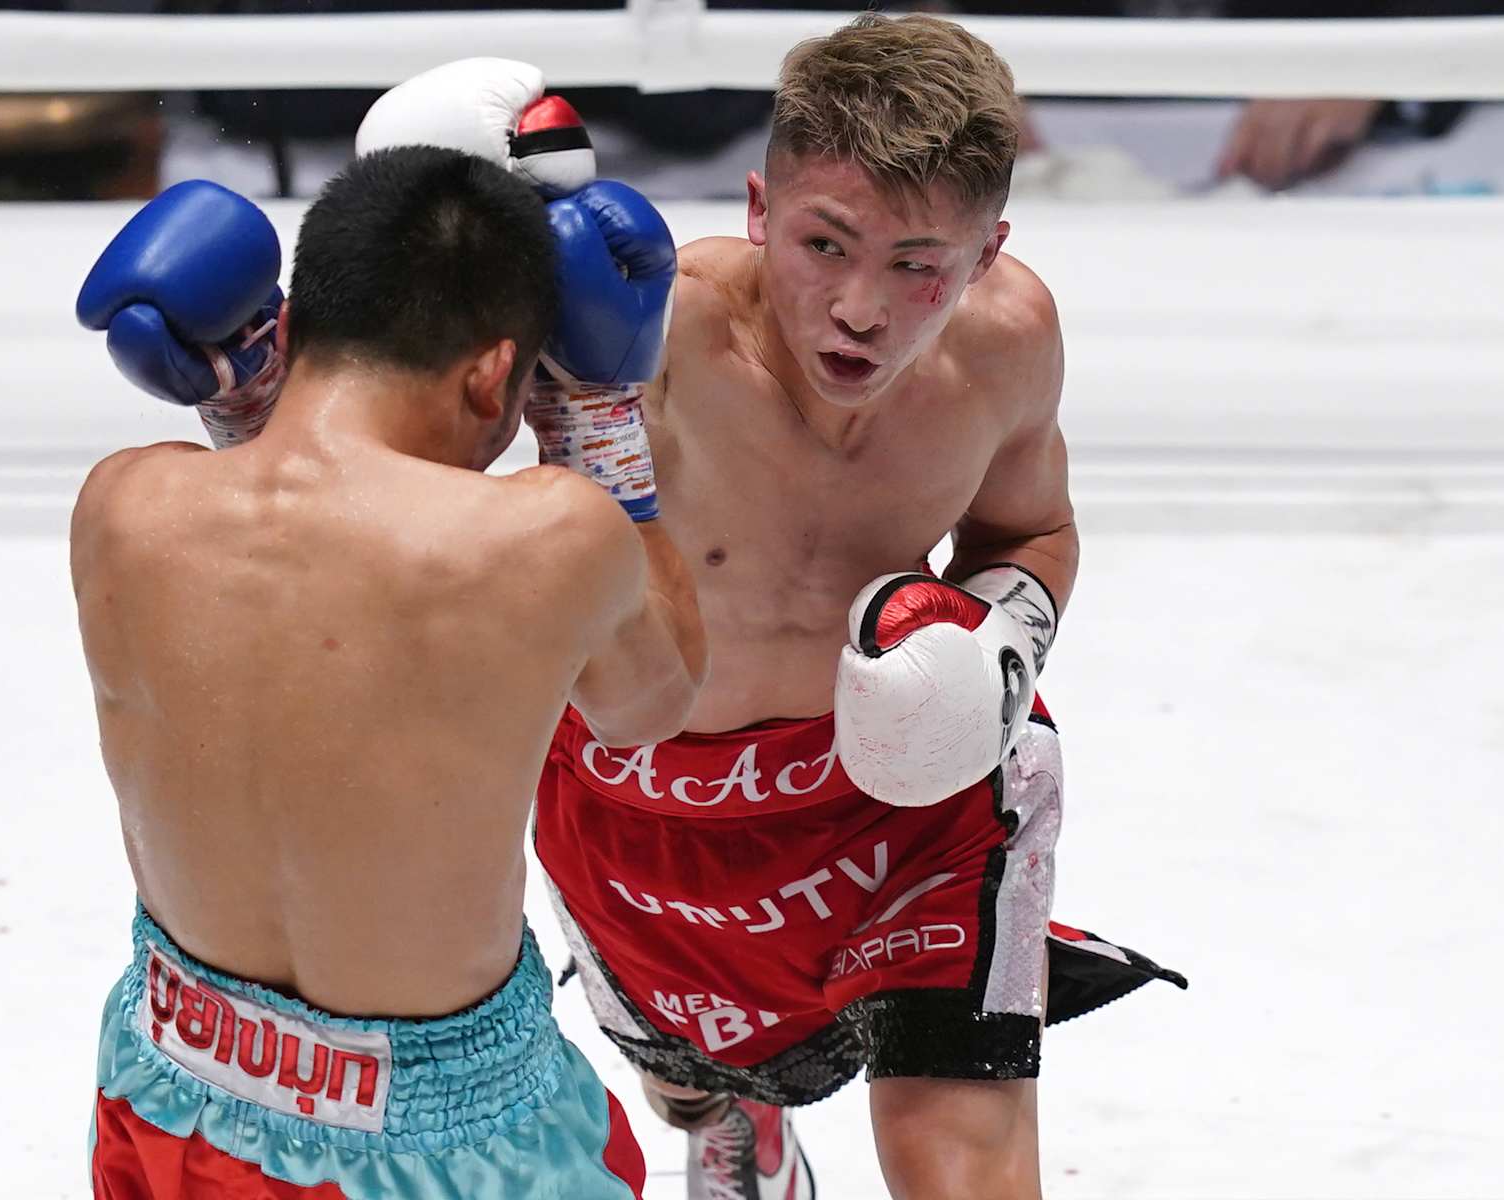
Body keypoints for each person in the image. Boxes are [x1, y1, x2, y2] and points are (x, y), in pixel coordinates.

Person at [348, 23, 1186, 1200]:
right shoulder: (652, 327)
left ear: (990, 250)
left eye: (919, 264)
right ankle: (730, 1119)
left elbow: (1027, 533)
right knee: (687, 1074)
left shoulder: (1009, 343)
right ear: (758, 210)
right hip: (639, 792)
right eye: (825, 244)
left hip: (905, 812)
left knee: (960, 1142)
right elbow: (399, 486)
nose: (862, 308)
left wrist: (1000, 645)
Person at [70, 145, 705, 1198]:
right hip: (445, 1143)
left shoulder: (121, 505)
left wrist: (246, 406)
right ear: (495, 371)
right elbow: (652, 701)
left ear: (298, 324)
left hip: (169, 1089)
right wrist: (594, 421)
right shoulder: (544, 537)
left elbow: (306, 571)